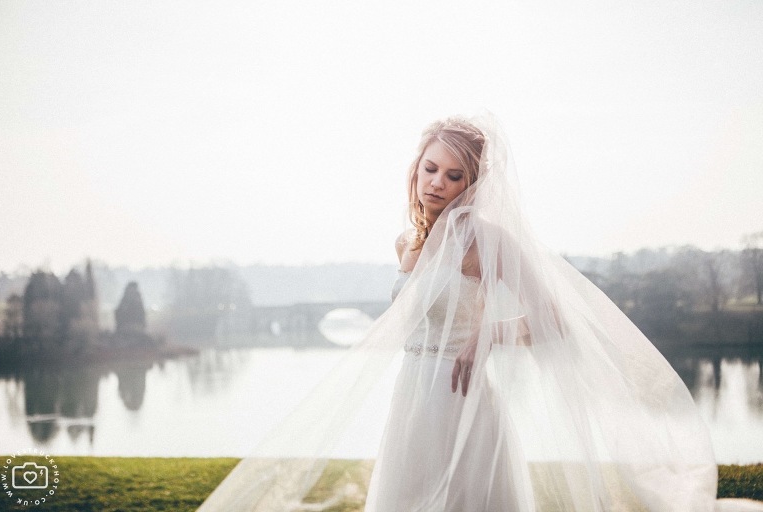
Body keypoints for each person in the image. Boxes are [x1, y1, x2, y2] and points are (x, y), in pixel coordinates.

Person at [198, 113, 763, 511]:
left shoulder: (481, 238)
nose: (438, 183)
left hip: (461, 396)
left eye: (454, 175)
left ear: (474, 182)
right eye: (431, 169)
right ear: (415, 167)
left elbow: (552, 317)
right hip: (412, 396)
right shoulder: (409, 243)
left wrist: (486, 335)